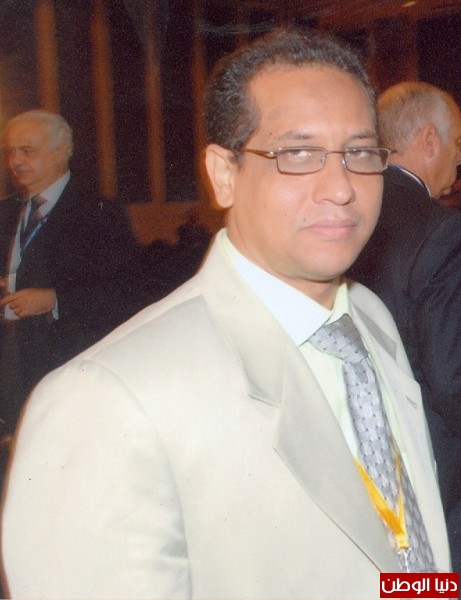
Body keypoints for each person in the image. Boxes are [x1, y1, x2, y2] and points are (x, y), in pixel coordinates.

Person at [1, 30, 450, 600]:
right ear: (224, 174)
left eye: (359, 153)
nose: (341, 188)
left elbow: (400, 547)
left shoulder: (370, 319)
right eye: (298, 154)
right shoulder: (106, 398)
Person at [349, 81, 461, 570]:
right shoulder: (442, 229)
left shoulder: (351, 211)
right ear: (430, 139)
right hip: (436, 465)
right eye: (458, 144)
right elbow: (451, 378)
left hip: (364, 452)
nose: (459, 160)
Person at [0, 109, 148, 438]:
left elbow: (126, 291)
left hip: (63, 365)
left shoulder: (99, 213)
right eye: (11, 152)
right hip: (9, 367)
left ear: (61, 151)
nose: (15, 161)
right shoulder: (5, 212)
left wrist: (54, 300)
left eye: (27, 151)